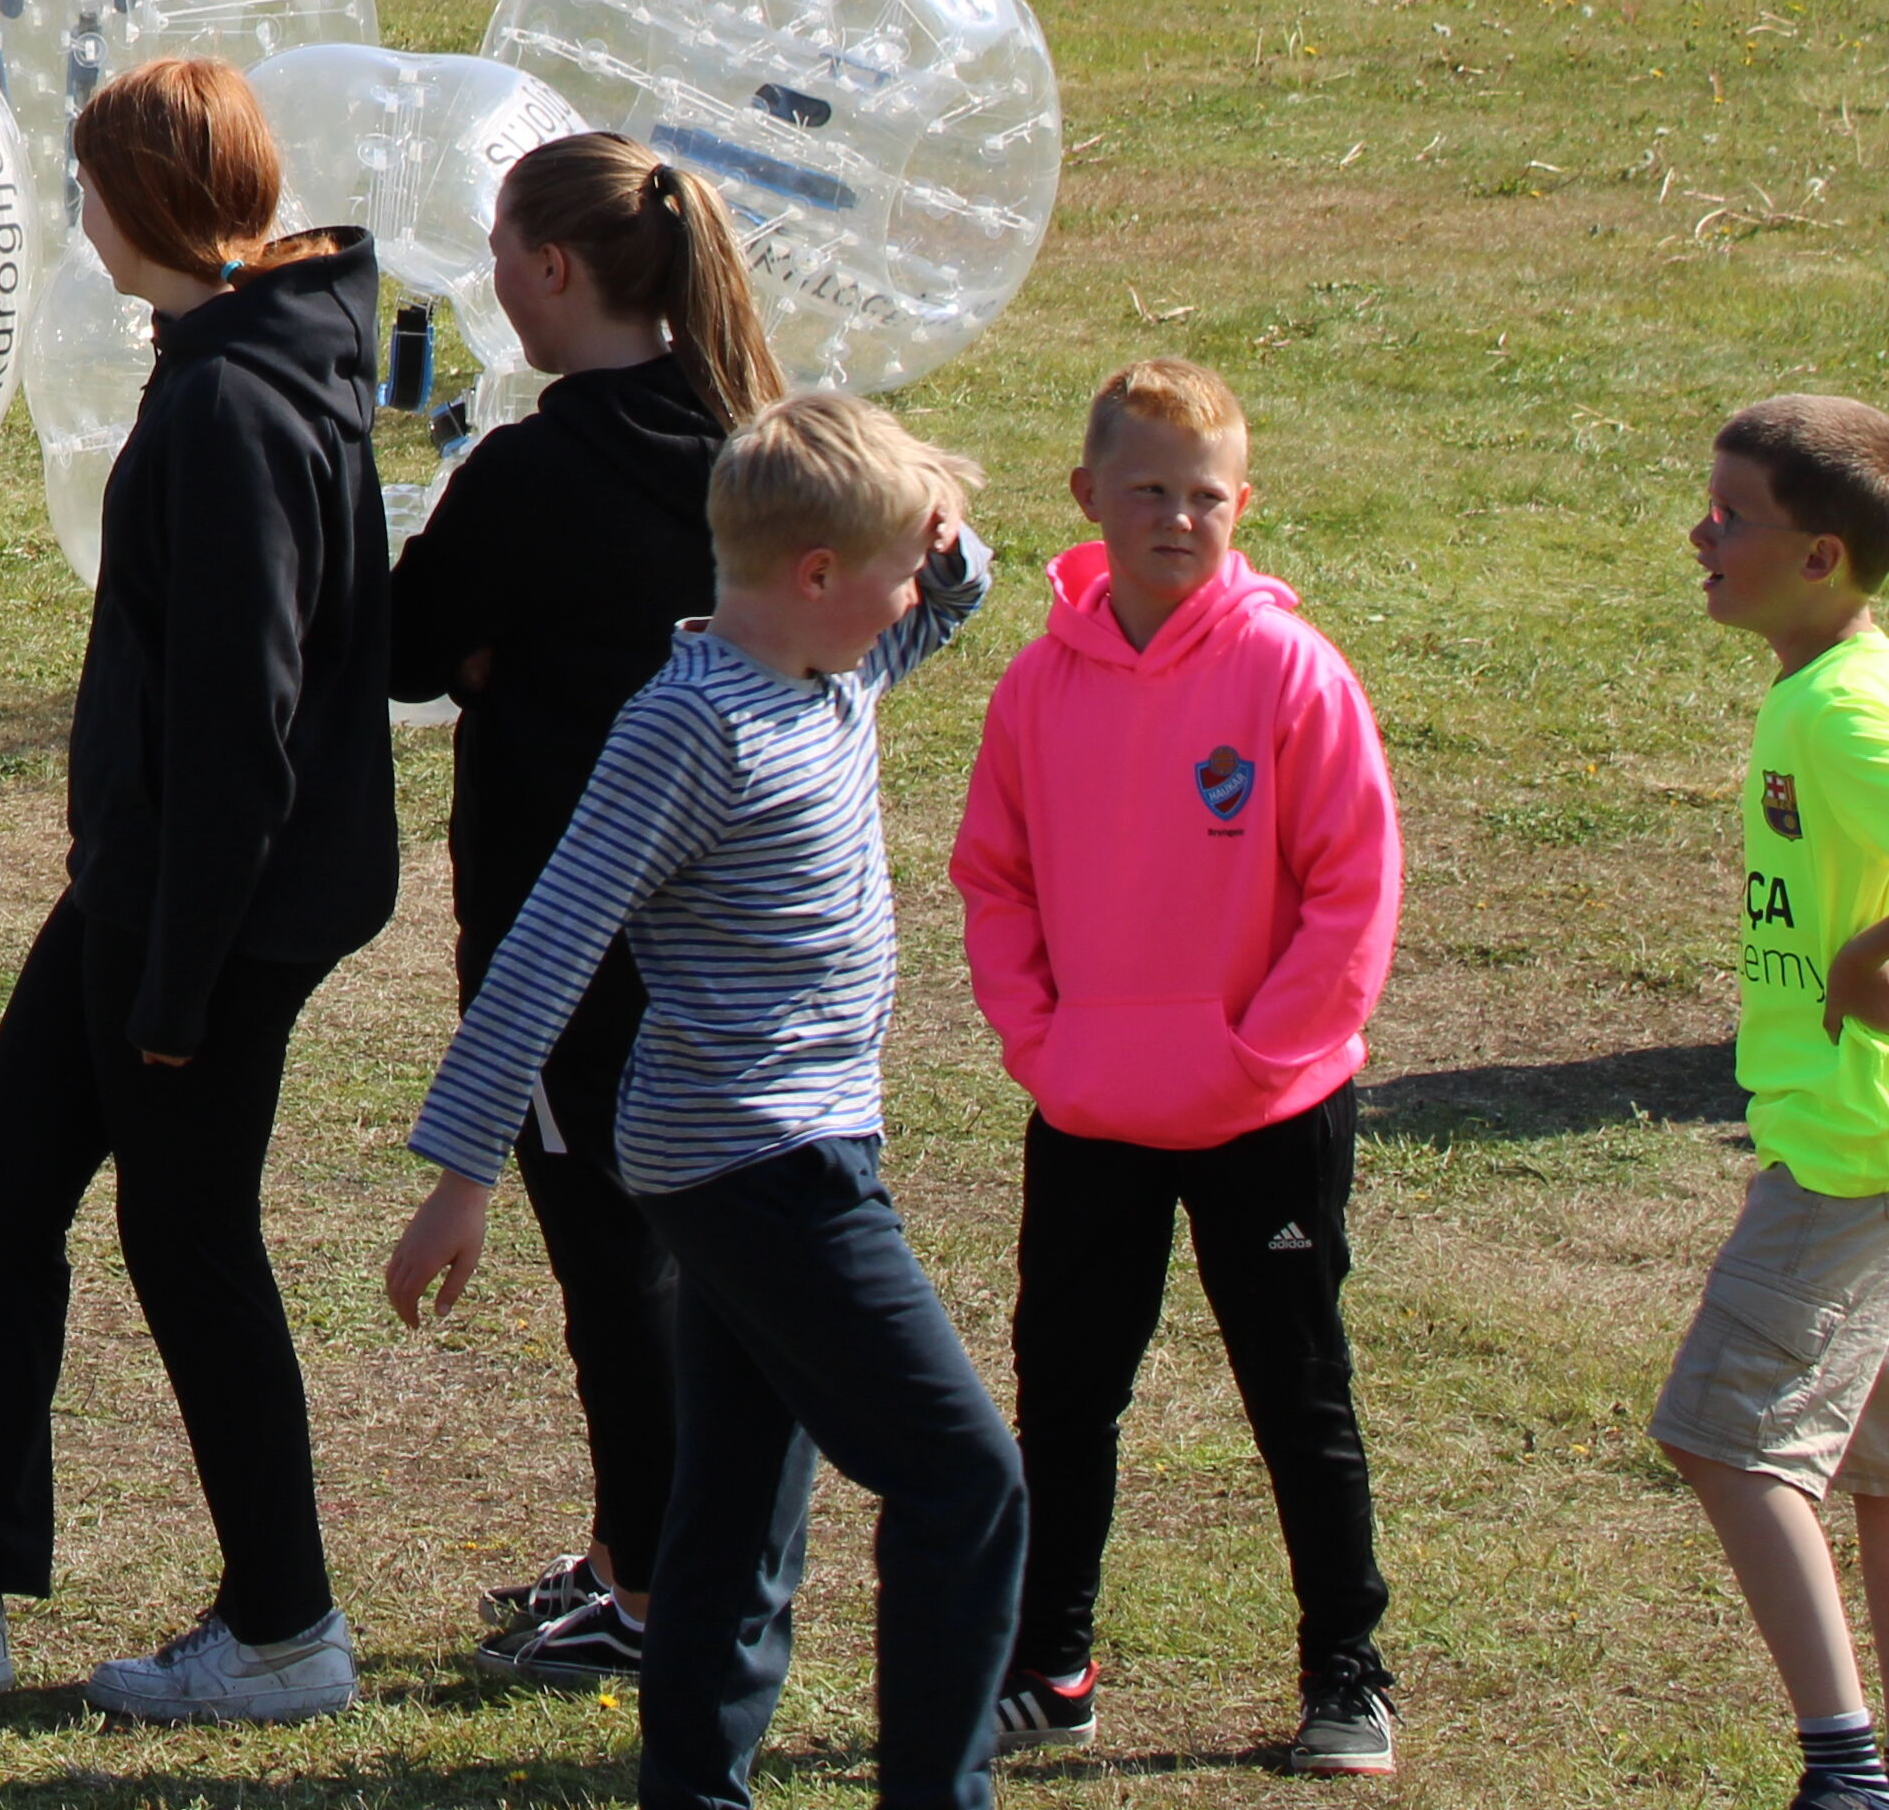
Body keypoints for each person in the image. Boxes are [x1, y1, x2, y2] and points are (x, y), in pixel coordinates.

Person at [0, 57, 394, 1726]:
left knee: (188, 1242)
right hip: (155, 892)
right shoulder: (249, 356)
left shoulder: (237, 404)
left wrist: (179, 986)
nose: (80, 216)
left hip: (203, 912)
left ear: (149, 206)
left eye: (93, 186)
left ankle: (284, 1624)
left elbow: (244, 728)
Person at [376, 395, 1010, 1810]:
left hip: (786, 1144)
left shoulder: (832, 666)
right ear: (816, 577)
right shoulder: (691, 726)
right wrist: (463, 1171)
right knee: (968, 1485)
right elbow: (551, 940)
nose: (921, 590)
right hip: (756, 1164)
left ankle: (693, 1791)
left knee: (732, 1504)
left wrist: (931, 520)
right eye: (898, 567)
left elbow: (952, 599)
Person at [378, 132, 788, 1687]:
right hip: (733, 924)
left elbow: (407, 649)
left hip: (570, 931)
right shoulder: (748, 441)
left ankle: (652, 1594)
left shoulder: (535, 471)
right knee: (697, 1251)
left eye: (499, 253)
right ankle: (647, 1549)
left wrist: (496, 655)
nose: (490, 282)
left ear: (554, 270)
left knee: (612, 1268)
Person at [955, 358, 1403, 1776]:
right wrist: (1042, 1040)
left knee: (1298, 1388)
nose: (1175, 517)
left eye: (1205, 496)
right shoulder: (1038, 685)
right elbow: (996, 877)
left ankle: (1348, 1672)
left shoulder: (1289, 669)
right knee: (1067, 1393)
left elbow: (1352, 891)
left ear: (1243, 507)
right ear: (1087, 496)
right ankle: (1053, 1665)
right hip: (1090, 1110)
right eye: (1146, 489)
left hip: (1266, 1118)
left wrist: (1259, 1056)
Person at [1654, 395, 1889, 1810]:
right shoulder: (1832, 689)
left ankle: (1843, 1771)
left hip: (1850, 1156)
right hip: (1853, 1141)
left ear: (1823, 558)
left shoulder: (1844, 715)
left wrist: (1869, 961)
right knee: (1874, 1470)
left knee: (1724, 1434)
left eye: (1734, 514)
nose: (1703, 531)